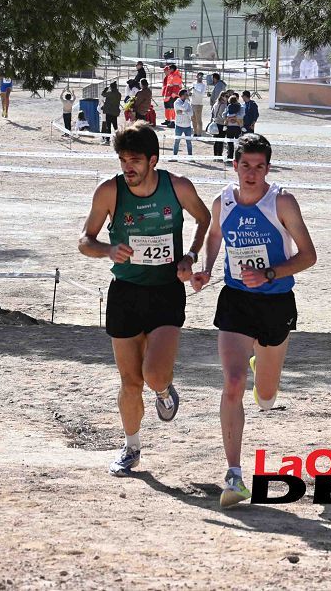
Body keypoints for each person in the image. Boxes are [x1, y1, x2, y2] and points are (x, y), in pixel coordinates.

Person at [191, 134, 317, 508]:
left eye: (259, 166)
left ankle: (262, 367)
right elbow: (215, 235)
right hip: (235, 301)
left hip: (276, 302)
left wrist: (270, 274)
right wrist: (206, 268)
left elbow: (309, 256)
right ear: (235, 166)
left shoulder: (282, 202)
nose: (251, 173)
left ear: (268, 168)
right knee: (232, 383)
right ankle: (234, 475)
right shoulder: (223, 201)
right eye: (245, 165)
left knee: (264, 396)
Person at [79, 122, 211, 476]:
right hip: (125, 293)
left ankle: (165, 389)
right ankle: (131, 447)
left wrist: (191, 256)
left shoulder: (178, 186)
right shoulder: (109, 192)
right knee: (130, 381)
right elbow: (84, 240)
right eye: (122, 160)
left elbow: (204, 218)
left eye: (135, 160)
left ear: (153, 159)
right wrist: (107, 249)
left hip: (166, 290)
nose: (128, 167)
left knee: (152, 375)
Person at [172, 89, 195, 156]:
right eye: (186, 94)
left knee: (189, 142)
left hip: (187, 125)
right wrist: (185, 111)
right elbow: (184, 108)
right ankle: (174, 156)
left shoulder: (187, 102)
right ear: (182, 96)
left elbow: (191, 113)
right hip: (179, 125)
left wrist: (182, 112)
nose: (187, 96)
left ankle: (190, 157)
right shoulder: (176, 103)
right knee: (177, 142)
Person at [223, 94, 243, 162]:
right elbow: (241, 115)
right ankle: (237, 158)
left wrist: (229, 118)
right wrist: (235, 117)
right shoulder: (240, 106)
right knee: (237, 143)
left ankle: (230, 157)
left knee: (230, 143)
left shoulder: (229, 106)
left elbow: (224, 115)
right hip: (237, 126)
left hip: (230, 126)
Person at [162, 63, 182, 128]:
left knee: (173, 108)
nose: (168, 70)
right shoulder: (172, 75)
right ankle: (171, 121)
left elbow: (176, 86)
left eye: (169, 69)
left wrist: (174, 93)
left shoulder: (176, 76)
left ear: (172, 69)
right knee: (170, 108)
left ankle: (173, 122)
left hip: (173, 95)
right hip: (170, 94)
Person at [210, 91, 228, 159]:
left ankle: (215, 156)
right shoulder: (224, 105)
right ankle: (219, 156)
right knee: (221, 141)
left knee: (216, 141)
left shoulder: (216, 103)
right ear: (222, 96)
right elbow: (225, 115)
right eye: (226, 96)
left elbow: (212, 113)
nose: (227, 98)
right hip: (221, 124)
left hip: (215, 123)